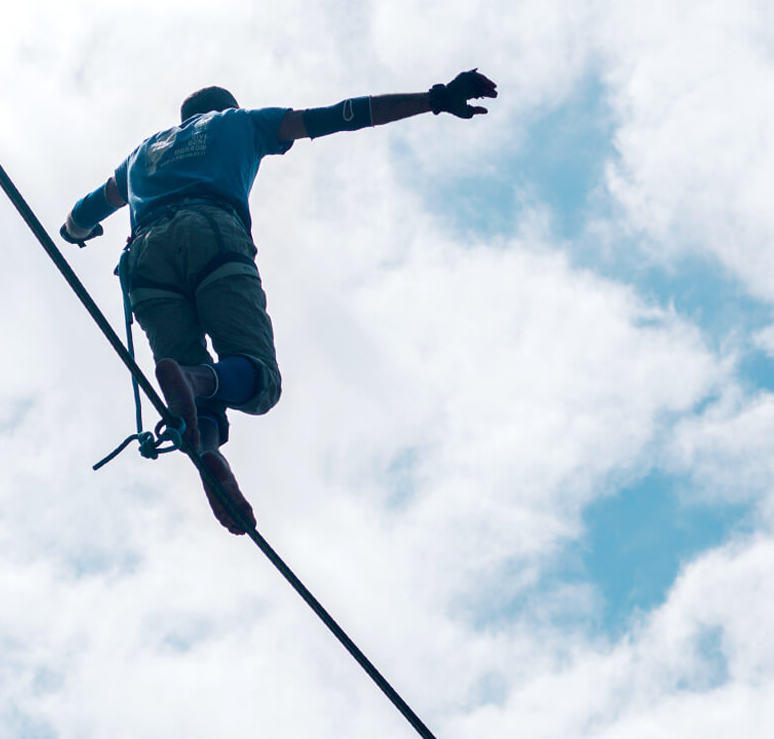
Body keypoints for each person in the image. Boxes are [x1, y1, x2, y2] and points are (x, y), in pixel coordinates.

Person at [61, 70, 498, 535]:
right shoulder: (241, 123)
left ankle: (208, 446)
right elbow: (343, 116)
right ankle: (193, 379)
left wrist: (77, 233)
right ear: (224, 107)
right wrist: (434, 98)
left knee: (200, 407)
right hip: (211, 233)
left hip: (145, 261)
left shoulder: (141, 154)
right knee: (257, 378)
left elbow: (80, 215)